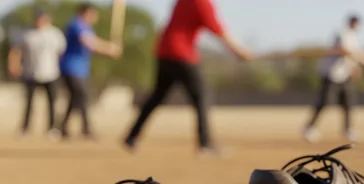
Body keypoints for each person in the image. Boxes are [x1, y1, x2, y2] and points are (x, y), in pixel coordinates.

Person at [124, 0, 254, 157]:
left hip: (164, 51)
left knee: (157, 96)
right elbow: (217, 29)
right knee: (202, 95)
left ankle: (131, 136)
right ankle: (205, 144)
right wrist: (238, 51)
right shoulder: (201, 2)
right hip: (181, 53)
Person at [303, 15, 364, 144]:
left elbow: (350, 55)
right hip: (331, 74)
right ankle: (309, 128)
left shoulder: (353, 37)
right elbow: (346, 51)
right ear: (352, 23)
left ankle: (348, 130)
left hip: (344, 75)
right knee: (324, 102)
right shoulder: (342, 33)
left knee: (348, 103)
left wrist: (354, 67)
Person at [58, 3, 122, 140]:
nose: (95, 17)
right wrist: (109, 48)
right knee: (82, 95)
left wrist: (108, 48)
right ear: (85, 13)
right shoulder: (76, 24)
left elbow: (93, 41)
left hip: (81, 69)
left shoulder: (87, 28)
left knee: (76, 97)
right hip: (71, 67)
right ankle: (86, 129)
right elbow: (88, 43)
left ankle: (63, 127)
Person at [6, 8, 66, 139]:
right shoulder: (27, 34)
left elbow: (61, 53)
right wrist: (14, 65)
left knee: (51, 103)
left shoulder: (55, 34)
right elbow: (16, 51)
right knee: (29, 103)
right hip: (30, 73)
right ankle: (25, 128)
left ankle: (52, 128)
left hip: (51, 73)